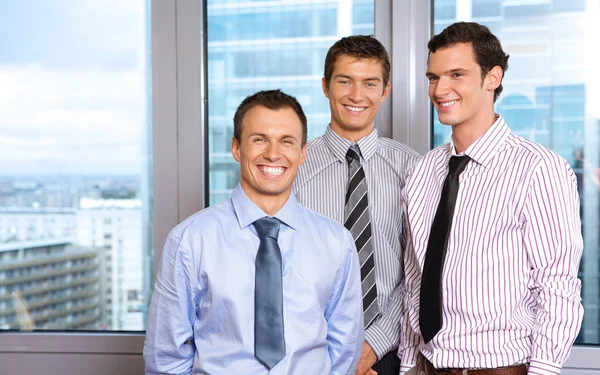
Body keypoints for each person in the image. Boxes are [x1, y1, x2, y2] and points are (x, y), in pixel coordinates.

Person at [399, 22, 583, 375]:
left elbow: (557, 287)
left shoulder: (538, 169)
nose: (440, 89)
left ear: (492, 78)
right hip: (429, 367)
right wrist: (409, 366)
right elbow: (414, 280)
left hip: (500, 368)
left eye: (456, 74)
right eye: (433, 77)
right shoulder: (422, 171)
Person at [144, 89, 365, 375]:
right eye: (259, 139)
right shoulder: (189, 240)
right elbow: (166, 358)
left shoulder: (336, 242)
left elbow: (344, 349)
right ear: (237, 148)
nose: (273, 154)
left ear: (302, 153)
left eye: (286, 141)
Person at [294, 35, 419, 375]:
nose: (356, 95)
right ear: (325, 86)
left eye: (369, 83)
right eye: (344, 81)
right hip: (310, 351)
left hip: (390, 351)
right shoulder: (295, 167)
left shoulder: (413, 169)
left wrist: (371, 345)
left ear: (385, 91)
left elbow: (418, 273)